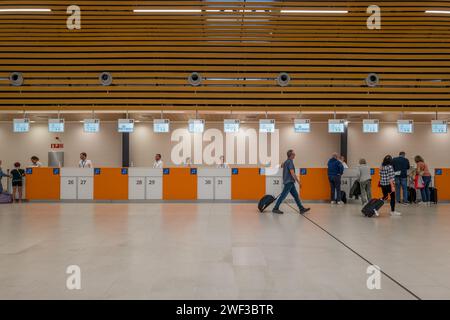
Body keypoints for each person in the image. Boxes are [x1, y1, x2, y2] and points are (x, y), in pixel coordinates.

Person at [272, 150, 310, 215]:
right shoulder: (290, 162)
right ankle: (275, 208)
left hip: (290, 182)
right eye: (294, 154)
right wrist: (299, 182)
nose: (295, 155)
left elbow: (281, 165)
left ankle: (301, 208)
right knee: (283, 196)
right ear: (291, 155)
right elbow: (292, 173)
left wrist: (281, 164)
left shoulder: (286, 162)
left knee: (296, 196)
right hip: (289, 182)